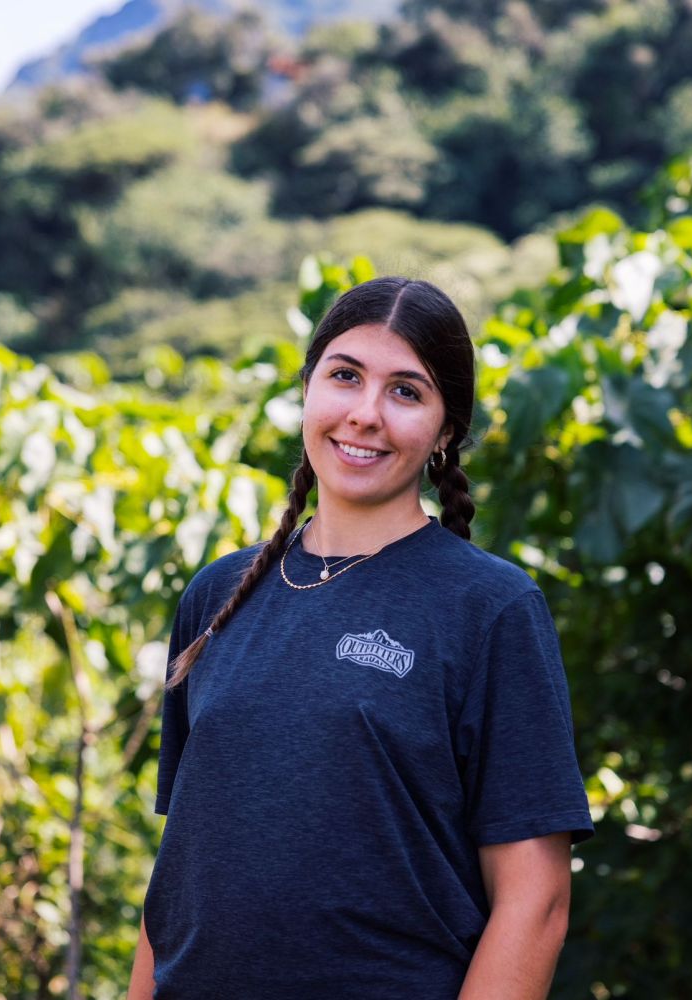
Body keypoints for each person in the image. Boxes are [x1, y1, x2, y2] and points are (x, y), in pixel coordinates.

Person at [127, 276, 594, 1000]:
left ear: (445, 431)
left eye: (406, 391)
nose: (365, 414)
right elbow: (182, 871)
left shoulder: (490, 608)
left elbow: (536, 903)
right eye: (345, 376)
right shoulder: (216, 596)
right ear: (307, 390)